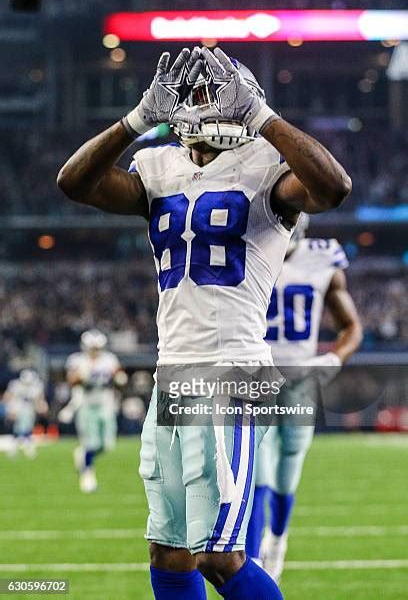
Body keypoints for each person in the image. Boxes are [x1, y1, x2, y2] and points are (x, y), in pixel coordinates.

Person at [57, 46, 351, 599]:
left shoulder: (266, 168)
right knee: (169, 555)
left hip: (233, 373)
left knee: (219, 555)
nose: (207, 107)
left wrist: (263, 117)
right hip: (174, 373)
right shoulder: (158, 167)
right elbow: (73, 183)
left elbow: (334, 188)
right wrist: (136, 121)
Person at [246, 215, 363, 581]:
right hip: (257, 378)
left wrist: (333, 357)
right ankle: (253, 565)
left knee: (288, 465)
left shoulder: (321, 257)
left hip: (300, 379)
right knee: (257, 474)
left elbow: (352, 327)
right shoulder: (245, 252)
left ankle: (278, 539)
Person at [58, 329, 127, 493]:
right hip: (86, 405)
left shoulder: (109, 359)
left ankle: (81, 455)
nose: (95, 351)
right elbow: (71, 380)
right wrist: (83, 376)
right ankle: (87, 475)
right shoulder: (77, 360)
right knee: (90, 443)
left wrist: (119, 378)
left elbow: (119, 376)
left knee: (107, 445)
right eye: (92, 347)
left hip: (105, 404)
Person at [4, 369, 48, 459]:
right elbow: (8, 397)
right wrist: (10, 410)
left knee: (26, 429)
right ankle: (23, 448)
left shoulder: (36, 386)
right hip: (17, 409)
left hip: (29, 410)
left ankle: (20, 448)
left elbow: (38, 399)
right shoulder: (15, 385)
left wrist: (41, 407)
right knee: (19, 430)